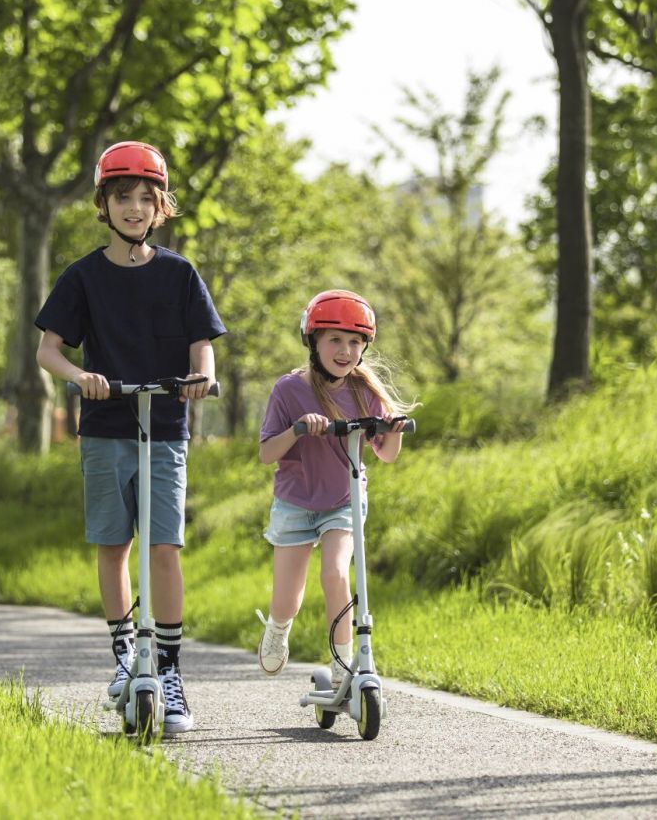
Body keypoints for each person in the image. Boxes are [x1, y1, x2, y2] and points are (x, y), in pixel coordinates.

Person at [34, 140, 225, 735]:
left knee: (164, 547)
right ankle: (124, 657)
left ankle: (168, 669)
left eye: (146, 197)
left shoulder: (179, 273)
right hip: (106, 427)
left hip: (165, 429)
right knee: (114, 545)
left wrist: (201, 378)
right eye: (123, 197)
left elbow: (202, 346)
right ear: (105, 204)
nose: (135, 208)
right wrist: (80, 377)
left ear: (160, 206)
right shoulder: (83, 277)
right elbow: (48, 351)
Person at [254, 289, 415, 684]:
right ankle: (277, 629)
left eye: (355, 342)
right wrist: (297, 429)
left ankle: (343, 663)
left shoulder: (365, 391)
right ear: (313, 342)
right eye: (335, 340)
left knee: (336, 575)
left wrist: (393, 430)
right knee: (288, 600)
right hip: (295, 503)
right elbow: (266, 453)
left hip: (344, 500)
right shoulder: (288, 389)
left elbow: (386, 454)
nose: (346, 351)